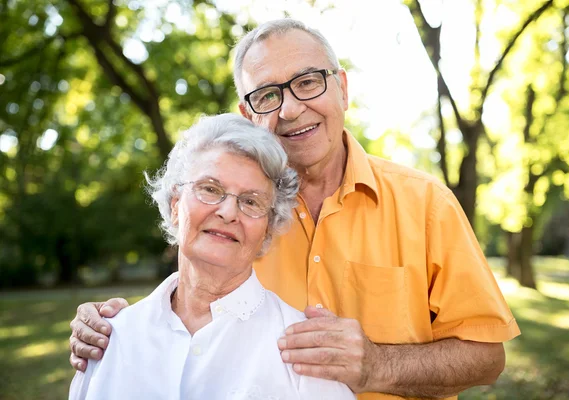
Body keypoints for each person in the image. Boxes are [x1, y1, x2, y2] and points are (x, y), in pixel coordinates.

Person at [68, 19, 520, 400]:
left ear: (341, 87)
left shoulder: (426, 204)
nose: (290, 108)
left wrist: (378, 365)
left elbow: (487, 357)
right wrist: (113, 330)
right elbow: (190, 314)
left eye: (307, 82)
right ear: (249, 115)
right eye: (267, 95)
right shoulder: (241, 220)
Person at [68, 114, 355, 399]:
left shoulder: (302, 352)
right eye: (210, 189)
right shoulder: (109, 338)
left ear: (267, 231)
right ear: (176, 204)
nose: (228, 212)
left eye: (251, 202)